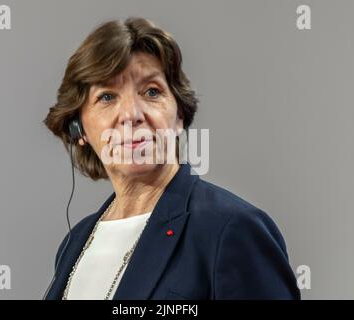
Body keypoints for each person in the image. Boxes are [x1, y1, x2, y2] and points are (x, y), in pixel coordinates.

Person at [43, 17, 300, 300]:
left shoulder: (230, 228)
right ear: (78, 127)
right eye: (107, 97)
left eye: (151, 92)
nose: (131, 114)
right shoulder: (75, 242)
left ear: (179, 116)